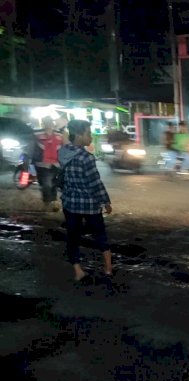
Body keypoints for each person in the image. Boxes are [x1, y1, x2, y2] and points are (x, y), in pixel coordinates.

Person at [58, 120, 113, 282]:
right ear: (79, 135)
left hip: (70, 203)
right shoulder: (86, 157)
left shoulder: (63, 153)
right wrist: (106, 202)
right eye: (88, 134)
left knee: (73, 237)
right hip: (89, 205)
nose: (90, 137)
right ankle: (108, 268)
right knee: (100, 235)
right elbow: (95, 183)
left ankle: (77, 270)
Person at [34, 116, 65, 211]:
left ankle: (52, 201)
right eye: (46, 122)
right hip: (43, 164)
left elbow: (64, 146)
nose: (49, 124)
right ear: (43, 123)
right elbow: (31, 146)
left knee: (54, 183)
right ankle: (48, 201)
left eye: (50, 122)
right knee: (47, 183)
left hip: (56, 163)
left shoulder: (59, 134)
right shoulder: (37, 133)